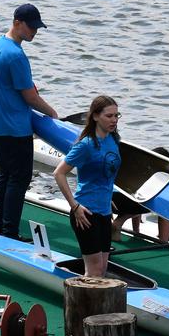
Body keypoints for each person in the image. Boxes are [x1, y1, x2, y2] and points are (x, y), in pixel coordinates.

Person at [0, 3, 58, 240]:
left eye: (37, 27)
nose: (35, 31)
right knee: (20, 178)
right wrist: (52, 114)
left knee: (6, 175)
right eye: (31, 26)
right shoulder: (16, 55)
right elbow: (30, 96)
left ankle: (3, 228)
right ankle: (10, 231)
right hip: (14, 127)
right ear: (17, 23)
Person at [54, 96, 122, 277]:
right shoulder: (86, 145)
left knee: (103, 267)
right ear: (95, 117)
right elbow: (59, 173)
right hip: (85, 213)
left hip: (105, 212)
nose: (114, 120)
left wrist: (108, 197)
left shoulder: (113, 140)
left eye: (117, 115)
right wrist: (74, 206)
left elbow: (108, 171)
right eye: (109, 116)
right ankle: (86, 304)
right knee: (94, 270)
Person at [111, 146, 169, 243]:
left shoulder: (138, 165)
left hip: (111, 200)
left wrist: (136, 232)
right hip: (127, 201)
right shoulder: (159, 174)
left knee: (139, 196)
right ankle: (163, 242)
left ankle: (135, 232)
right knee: (165, 205)